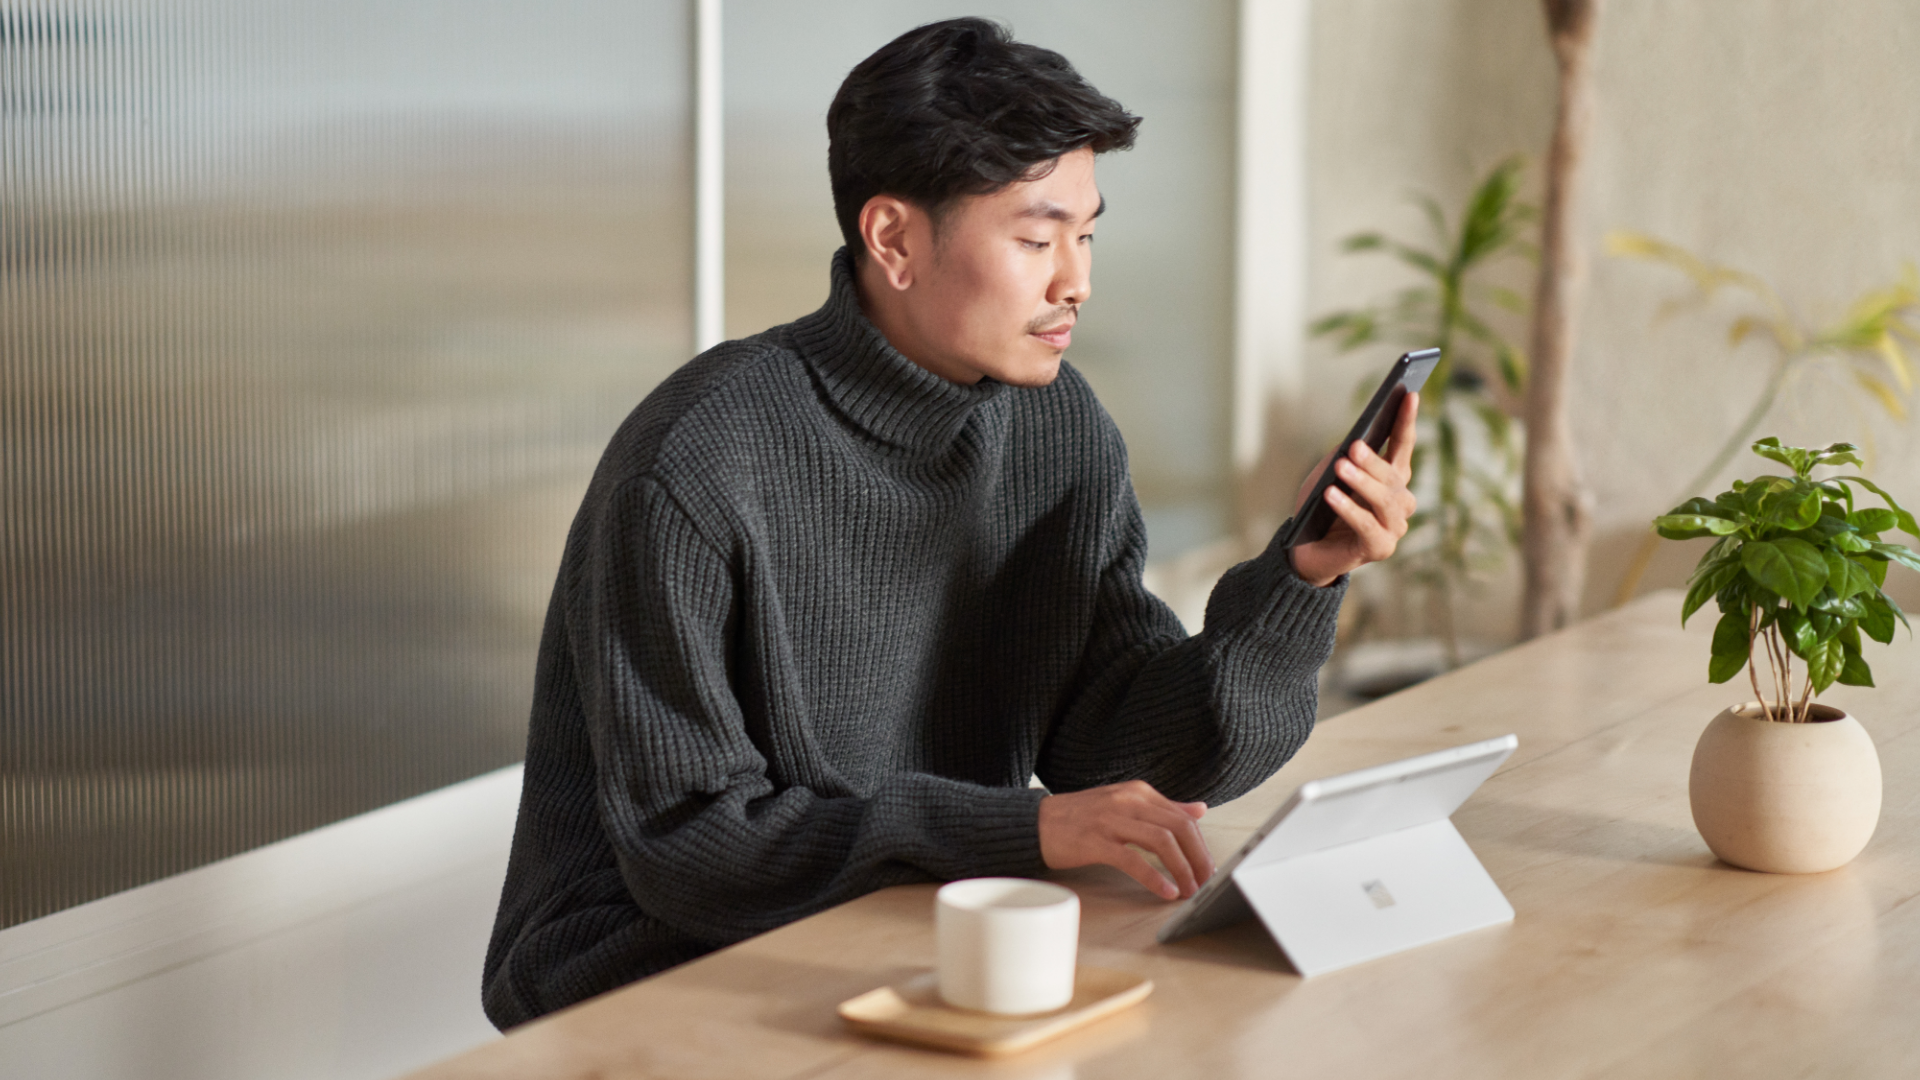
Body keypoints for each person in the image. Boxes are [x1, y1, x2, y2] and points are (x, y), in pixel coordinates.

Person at [481, 17, 1416, 1029]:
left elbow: (1126, 762)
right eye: (1034, 237)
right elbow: (691, 851)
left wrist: (1303, 580)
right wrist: (1019, 830)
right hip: (648, 968)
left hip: (906, 924)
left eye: (1087, 233)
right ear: (892, 238)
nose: (1077, 281)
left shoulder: (1056, 426)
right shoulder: (697, 460)